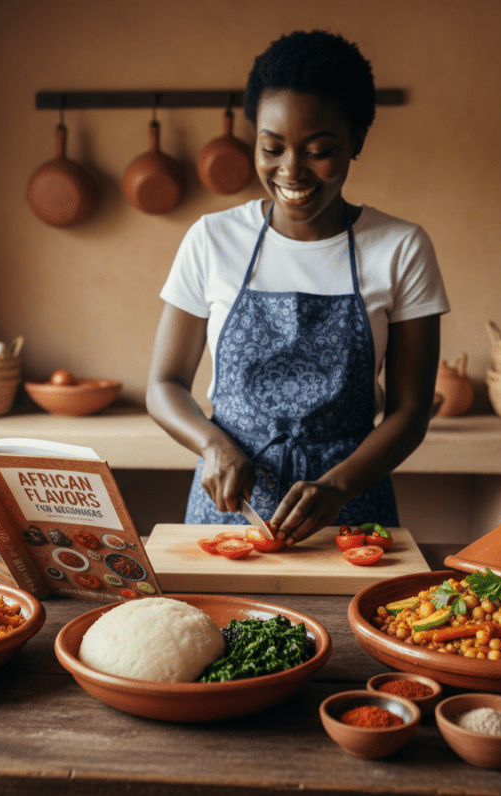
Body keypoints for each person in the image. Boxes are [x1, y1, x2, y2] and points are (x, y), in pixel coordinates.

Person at [146, 30, 449, 546]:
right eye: (272, 147)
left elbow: (410, 410)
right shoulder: (212, 239)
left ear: (356, 141)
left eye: (318, 150)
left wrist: (338, 486)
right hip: (229, 516)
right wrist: (211, 445)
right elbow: (164, 384)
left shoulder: (400, 248)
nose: (290, 170)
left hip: (350, 516)